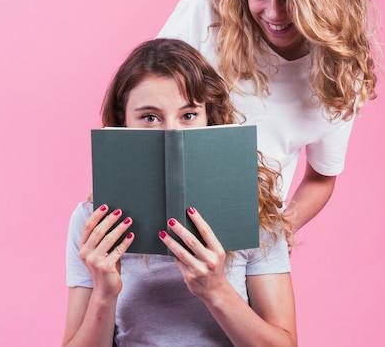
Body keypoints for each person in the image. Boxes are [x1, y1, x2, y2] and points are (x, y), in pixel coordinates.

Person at [158, 0, 379, 233]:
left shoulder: (340, 74)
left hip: (244, 244)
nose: (274, 13)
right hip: (163, 221)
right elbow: (137, 114)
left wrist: (274, 237)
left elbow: (320, 177)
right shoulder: (202, 16)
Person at [62, 38, 296, 347]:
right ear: (123, 123)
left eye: (188, 115)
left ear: (209, 118)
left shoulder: (253, 211)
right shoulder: (93, 222)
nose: (170, 132)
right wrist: (104, 294)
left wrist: (216, 290)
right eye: (149, 117)